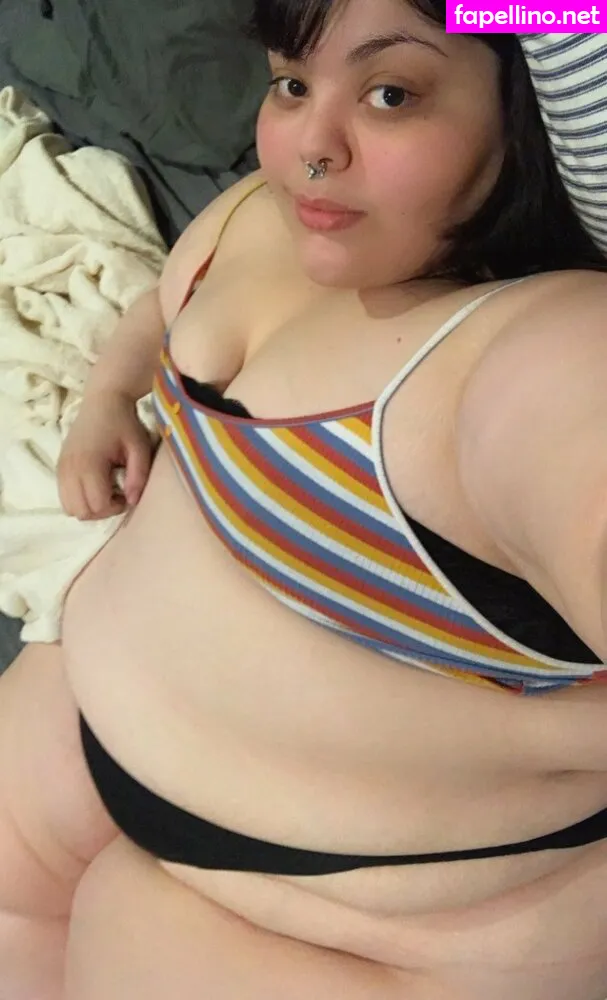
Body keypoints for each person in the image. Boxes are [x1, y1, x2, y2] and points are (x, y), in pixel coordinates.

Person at [1, 2, 607, 997]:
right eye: (292, 82)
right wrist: (110, 397)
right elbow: (163, 306)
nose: (310, 145)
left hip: (350, 923)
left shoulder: (542, 354)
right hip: (88, 732)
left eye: (390, 94)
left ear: (532, 118)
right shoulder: (278, 211)